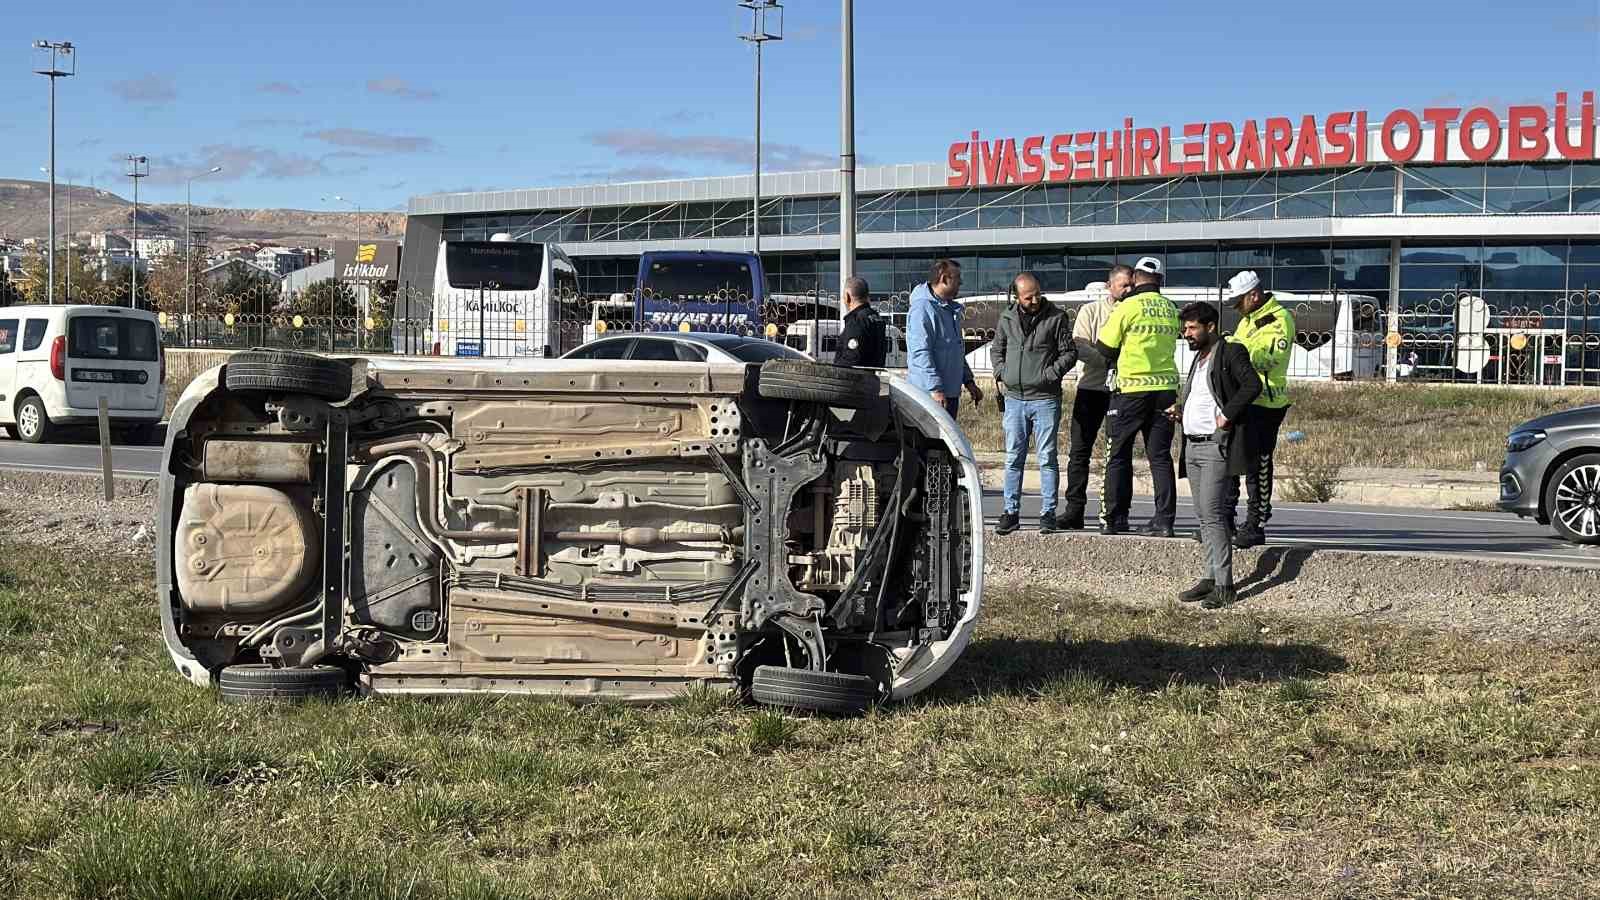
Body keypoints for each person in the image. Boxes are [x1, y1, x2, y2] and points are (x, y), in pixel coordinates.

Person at [1171, 301, 1261, 610]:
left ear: (1210, 327)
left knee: (1213, 514)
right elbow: (1202, 395)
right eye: (1185, 329)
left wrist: (1228, 415)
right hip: (1192, 445)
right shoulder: (1199, 357)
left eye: (1192, 328)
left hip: (1215, 446)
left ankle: (1225, 585)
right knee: (1202, 515)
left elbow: (1252, 385)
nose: (1187, 334)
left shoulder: (1230, 352)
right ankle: (1209, 577)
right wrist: (1181, 411)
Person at [1093, 256, 1180, 537]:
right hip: (1165, 390)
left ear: (1136, 279)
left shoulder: (1127, 306)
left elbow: (1105, 347)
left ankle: (1114, 518)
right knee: (1160, 457)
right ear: (1161, 280)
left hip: (1131, 390)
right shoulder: (1170, 308)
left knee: (1118, 454)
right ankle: (1164, 520)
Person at [990, 272, 1078, 535]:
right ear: (1016, 296)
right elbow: (997, 349)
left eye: (1037, 293)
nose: (1035, 299)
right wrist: (1001, 372)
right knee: (1013, 458)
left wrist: (1049, 375)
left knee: (1047, 458)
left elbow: (1069, 352)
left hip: (1045, 399)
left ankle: (1048, 513)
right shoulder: (1006, 318)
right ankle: (1011, 512)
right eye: (1029, 296)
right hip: (1014, 399)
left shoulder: (1056, 317)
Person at [1221, 270, 1296, 549]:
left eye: (1239, 302)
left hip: (1267, 402)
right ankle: (1225, 519)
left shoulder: (1279, 319)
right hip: (1243, 400)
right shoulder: (1247, 320)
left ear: (1253, 295)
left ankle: (1256, 522)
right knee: (1230, 460)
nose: (1237, 308)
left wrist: (1235, 355)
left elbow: (1269, 358)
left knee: (1259, 465)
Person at [1061, 265, 1133, 530]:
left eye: (1131, 285)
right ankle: (1074, 510)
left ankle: (1117, 512)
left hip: (1122, 390)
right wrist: (1109, 359)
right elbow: (1080, 344)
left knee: (1118, 454)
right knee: (1079, 452)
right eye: (1123, 285)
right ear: (1109, 285)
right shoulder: (1090, 311)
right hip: (1092, 388)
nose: (1128, 290)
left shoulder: (1133, 311)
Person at [907, 259, 983, 416]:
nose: (961, 282)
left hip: (948, 394)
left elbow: (955, 350)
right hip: (929, 396)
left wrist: (969, 382)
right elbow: (921, 353)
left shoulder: (949, 310)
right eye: (957, 278)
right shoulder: (922, 310)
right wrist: (935, 388)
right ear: (944, 279)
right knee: (930, 440)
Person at [835, 276, 887, 368]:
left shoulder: (856, 321)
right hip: (874, 377)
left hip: (855, 380)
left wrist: (835, 371)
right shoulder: (876, 317)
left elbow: (851, 358)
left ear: (847, 296)